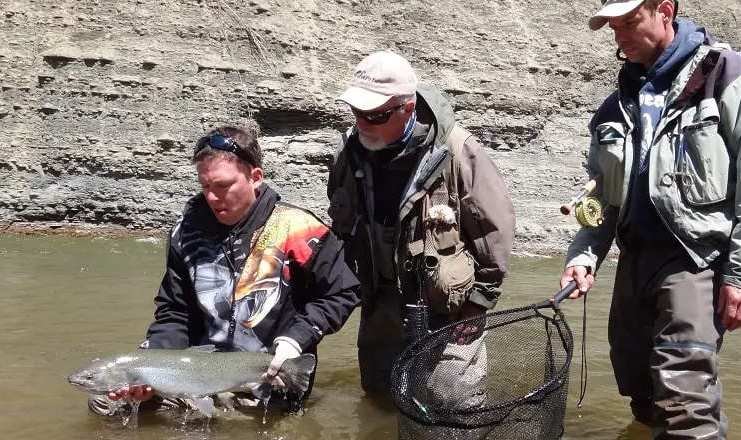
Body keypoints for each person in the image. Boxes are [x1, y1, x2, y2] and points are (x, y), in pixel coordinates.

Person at [560, 0, 741, 439]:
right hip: (634, 265)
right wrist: (584, 256)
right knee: (638, 386)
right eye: (612, 27)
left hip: (696, 262)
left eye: (628, 22)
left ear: (664, 13)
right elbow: (601, 199)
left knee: (684, 398)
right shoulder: (614, 107)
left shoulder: (729, 75)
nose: (619, 35)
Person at [88, 124, 361, 417]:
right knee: (105, 401)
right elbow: (174, 312)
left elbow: (343, 292)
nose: (212, 197)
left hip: (269, 378)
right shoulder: (185, 233)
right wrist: (151, 368)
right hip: (196, 373)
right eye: (205, 186)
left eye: (222, 186)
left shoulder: (301, 229)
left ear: (255, 178)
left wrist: (296, 340)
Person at [326, 50, 516, 412]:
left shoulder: (459, 152)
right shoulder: (352, 150)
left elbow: (497, 229)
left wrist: (479, 303)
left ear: (407, 109)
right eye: (356, 113)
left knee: (452, 404)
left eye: (375, 115)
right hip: (380, 304)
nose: (363, 123)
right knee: (380, 401)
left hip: (449, 312)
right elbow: (341, 221)